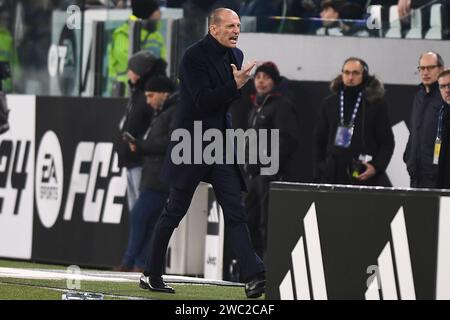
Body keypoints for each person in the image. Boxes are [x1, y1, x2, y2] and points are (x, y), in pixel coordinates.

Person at [139, 8, 266, 299]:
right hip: (191, 144)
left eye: (238, 26)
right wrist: (234, 86)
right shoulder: (192, 57)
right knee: (174, 212)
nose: (236, 30)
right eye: (231, 26)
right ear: (214, 29)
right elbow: (202, 101)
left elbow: (222, 106)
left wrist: (234, 88)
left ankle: (253, 277)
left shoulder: (236, 56)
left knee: (235, 211)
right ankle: (151, 273)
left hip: (220, 145)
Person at [118, 75, 178, 273]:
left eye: (151, 95)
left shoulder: (173, 112)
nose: (148, 100)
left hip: (159, 178)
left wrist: (141, 146)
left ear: (164, 93)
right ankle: (140, 264)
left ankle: (130, 262)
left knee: (139, 215)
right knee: (150, 222)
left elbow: (171, 143)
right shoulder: (164, 112)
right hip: (155, 176)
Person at [244, 61, 299, 260]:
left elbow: (287, 139)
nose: (261, 81)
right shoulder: (256, 106)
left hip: (270, 174)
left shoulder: (281, 106)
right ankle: (253, 265)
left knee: (267, 222)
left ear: (274, 81)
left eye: (266, 77)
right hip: (253, 175)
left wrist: (268, 163)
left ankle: (270, 266)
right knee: (249, 219)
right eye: (258, 77)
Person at [313, 57, 395, 186]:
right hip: (332, 174)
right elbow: (319, 140)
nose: (350, 77)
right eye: (346, 72)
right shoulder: (329, 103)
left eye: (355, 73)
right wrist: (322, 167)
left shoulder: (376, 104)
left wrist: (376, 167)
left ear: (365, 75)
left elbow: (387, 143)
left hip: (362, 173)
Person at [115, 50, 167, 225]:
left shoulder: (150, 93)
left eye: (131, 69)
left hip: (141, 161)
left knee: (142, 214)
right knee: (136, 214)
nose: (128, 74)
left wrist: (140, 145)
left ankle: (146, 250)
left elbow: (153, 128)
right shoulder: (137, 92)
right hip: (131, 160)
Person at [108, 0, 167, 96]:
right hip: (124, 91)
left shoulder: (157, 36)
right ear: (148, 13)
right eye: (157, 10)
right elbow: (129, 61)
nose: (160, 13)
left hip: (150, 90)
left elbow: (164, 60)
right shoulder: (123, 33)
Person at [404, 52, 445, 188]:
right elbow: (414, 131)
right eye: (422, 68)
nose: (425, 72)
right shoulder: (418, 97)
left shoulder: (446, 97)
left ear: (441, 69)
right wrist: (408, 158)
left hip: (439, 176)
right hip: (416, 174)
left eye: (430, 68)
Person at [436, 70, 450, 188]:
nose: (447, 90)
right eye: (442, 87)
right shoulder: (441, 112)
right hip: (442, 181)